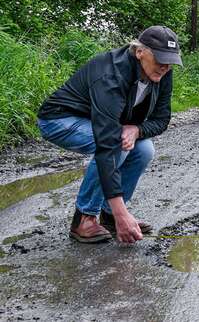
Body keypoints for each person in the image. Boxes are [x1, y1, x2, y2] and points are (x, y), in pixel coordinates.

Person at [37, 26, 182, 244]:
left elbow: (161, 120)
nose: (165, 66)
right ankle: (84, 218)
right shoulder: (111, 73)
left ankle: (108, 216)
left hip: (101, 123)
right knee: (117, 144)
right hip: (59, 119)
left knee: (144, 149)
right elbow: (107, 144)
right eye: (160, 58)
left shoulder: (162, 73)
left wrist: (137, 129)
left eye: (170, 60)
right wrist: (122, 213)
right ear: (140, 52)